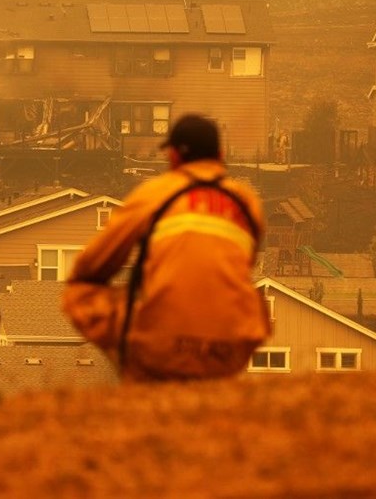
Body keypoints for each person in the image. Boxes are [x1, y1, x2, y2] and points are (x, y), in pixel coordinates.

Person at [62, 114, 270, 382]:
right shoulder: (246, 201)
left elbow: (91, 267)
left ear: (172, 156)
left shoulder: (155, 193)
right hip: (231, 344)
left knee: (77, 291)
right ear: (220, 154)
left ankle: (135, 369)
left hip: (164, 342)